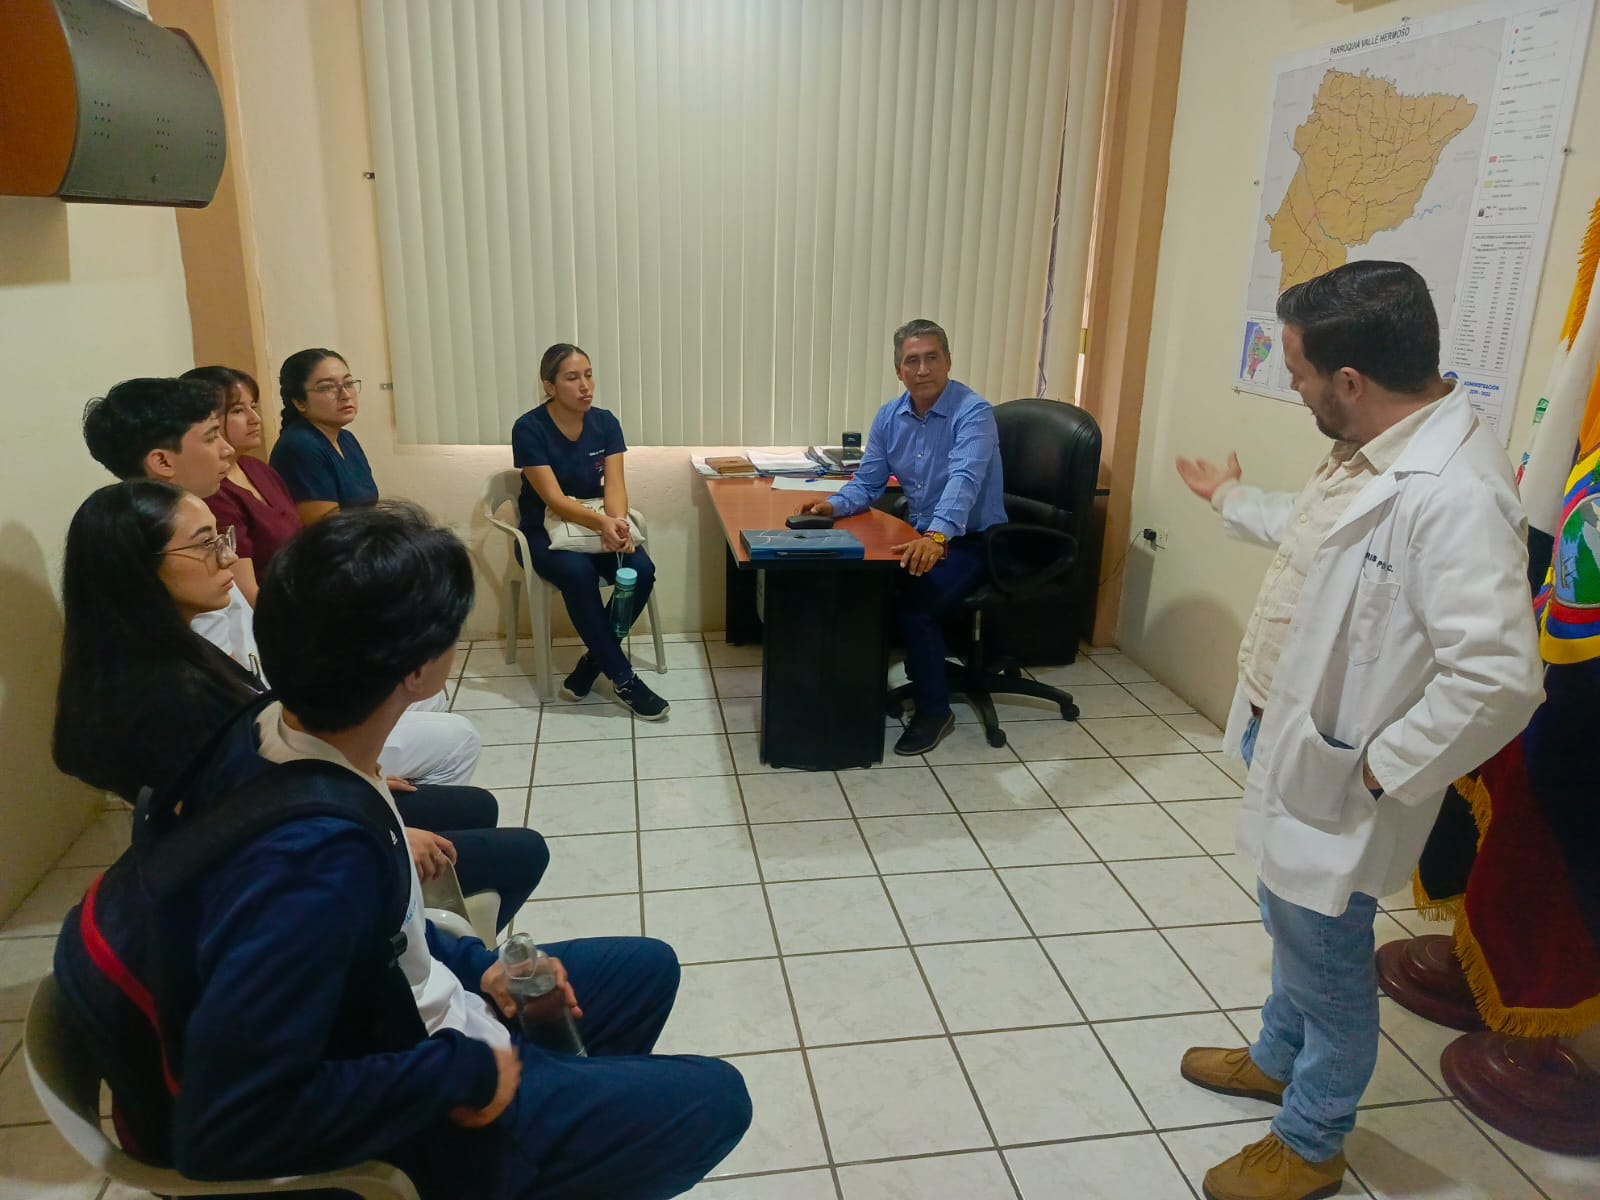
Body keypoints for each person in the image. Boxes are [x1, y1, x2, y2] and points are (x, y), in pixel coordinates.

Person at [62, 500, 751, 1196]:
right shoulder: (312, 863)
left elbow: (395, 940)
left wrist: (481, 969)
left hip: (419, 1013)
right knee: (717, 1099)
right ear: (418, 672)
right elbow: (225, 1125)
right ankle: (522, 1157)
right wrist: (462, 1074)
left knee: (647, 970)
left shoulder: (271, 725)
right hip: (418, 1087)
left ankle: (566, 1132)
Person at [1173, 261, 1543, 1200]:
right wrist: (1227, 499)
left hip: (1344, 776)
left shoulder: (1454, 493)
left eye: (1298, 373)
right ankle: (1275, 1058)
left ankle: (1311, 1141)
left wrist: (1382, 769)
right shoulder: (1368, 449)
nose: (1292, 388)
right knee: (1289, 921)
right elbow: (1312, 537)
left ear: (1349, 379)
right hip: (1290, 745)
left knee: (1331, 963)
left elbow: (1501, 677)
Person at [52, 480, 547, 932]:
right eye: (205, 544)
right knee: (522, 852)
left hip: (299, 801)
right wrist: (390, 832)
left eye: (222, 537)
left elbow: (260, 763)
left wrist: (357, 775)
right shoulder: (164, 695)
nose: (228, 557)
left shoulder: (178, 646)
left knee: (477, 805)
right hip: (278, 847)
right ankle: (440, 946)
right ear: (138, 568)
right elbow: (239, 822)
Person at [797, 318, 1006, 755]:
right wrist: (833, 505)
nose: (923, 369)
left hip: (975, 540)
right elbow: (868, 482)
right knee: (862, 585)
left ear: (948, 362)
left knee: (916, 609)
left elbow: (964, 481)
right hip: (919, 533)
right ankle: (860, 687)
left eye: (932, 358)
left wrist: (937, 537)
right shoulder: (890, 417)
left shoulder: (974, 413)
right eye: (912, 361)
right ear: (898, 370)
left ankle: (935, 712)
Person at [512, 343, 668, 720]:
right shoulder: (529, 428)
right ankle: (624, 679)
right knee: (578, 573)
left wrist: (617, 523)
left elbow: (615, 485)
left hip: (596, 525)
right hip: (544, 532)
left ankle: (593, 662)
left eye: (588, 375)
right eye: (572, 378)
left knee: (642, 571)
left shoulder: (605, 422)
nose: (585, 386)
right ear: (549, 386)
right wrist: (603, 524)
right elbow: (553, 498)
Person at [182, 365, 304, 602]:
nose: (255, 419)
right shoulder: (211, 489)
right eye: (238, 410)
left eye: (254, 407)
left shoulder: (259, 469)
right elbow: (247, 593)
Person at [269, 347, 379, 524]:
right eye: (328, 387)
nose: (345, 395)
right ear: (300, 402)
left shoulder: (346, 438)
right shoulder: (300, 446)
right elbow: (326, 531)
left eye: (348, 383)